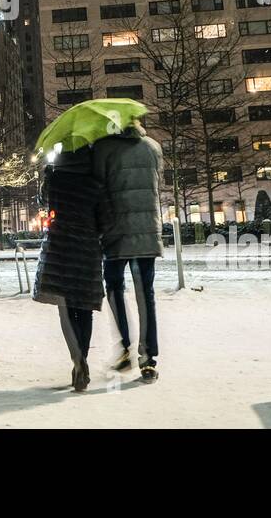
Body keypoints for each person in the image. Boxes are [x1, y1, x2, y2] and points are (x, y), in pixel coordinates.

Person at [92, 118, 164, 382]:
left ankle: (124, 346)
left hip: (115, 233)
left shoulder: (102, 149)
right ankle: (148, 358)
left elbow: (97, 189)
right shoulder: (153, 147)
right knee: (146, 294)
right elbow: (159, 185)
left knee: (114, 287)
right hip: (146, 231)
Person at [32, 144, 107, 392]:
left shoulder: (55, 178)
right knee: (84, 309)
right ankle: (82, 360)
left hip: (60, 249)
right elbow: (104, 219)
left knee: (66, 311)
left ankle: (78, 360)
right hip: (87, 251)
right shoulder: (95, 182)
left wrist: (47, 174)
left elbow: (43, 202)